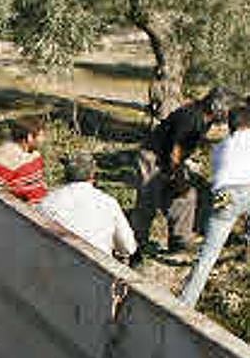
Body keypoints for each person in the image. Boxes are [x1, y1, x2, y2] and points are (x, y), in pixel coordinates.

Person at [132, 87, 233, 258]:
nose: (227, 115)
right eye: (226, 110)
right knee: (148, 202)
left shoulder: (204, 119)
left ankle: (180, 241)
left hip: (168, 159)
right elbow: (176, 151)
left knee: (186, 197)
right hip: (152, 157)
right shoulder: (191, 117)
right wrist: (179, 176)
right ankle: (135, 246)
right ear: (217, 107)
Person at [179, 105, 250, 305]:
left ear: (230, 126)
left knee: (208, 253)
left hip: (224, 194)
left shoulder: (219, 147)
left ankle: (186, 302)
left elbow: (220, 174)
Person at [39, 152, 137, 258]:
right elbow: (128, 247)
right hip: (97, 269)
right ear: (92, 174)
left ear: (65, 174)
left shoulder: (47, 202)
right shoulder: (108, 203)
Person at [0, 116, 48, 204]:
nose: (44, 140)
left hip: (46, 204)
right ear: (29, 137)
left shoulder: (34, 154)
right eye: (41, 136)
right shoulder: (3, 158)